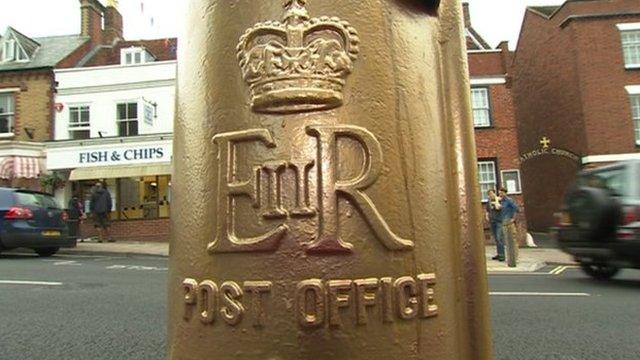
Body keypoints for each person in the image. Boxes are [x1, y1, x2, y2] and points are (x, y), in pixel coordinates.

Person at [499, 187, 519, 266]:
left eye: (501, 193)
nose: (500, 194)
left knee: (512, 241)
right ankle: (510, 257)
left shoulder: (509, 200)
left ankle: (515, 257)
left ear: (504, 193)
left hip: (509, 222)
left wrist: (513, 218)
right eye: (499, 193)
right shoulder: (502, 201)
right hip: (504, 222)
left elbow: (516, 209)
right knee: (507, 241)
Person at [485, 189, 504, 262]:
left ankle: (502, 255)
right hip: (492, 221)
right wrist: (487, 216)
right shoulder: (488, 201)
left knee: (499, 238)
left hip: (499, 221)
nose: (490, 195)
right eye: (489, 194)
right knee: (496, 238)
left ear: (494, 193)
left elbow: (499, 208)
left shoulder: (499, 200)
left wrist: (496, 201)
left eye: (492, 193)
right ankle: (499, 254)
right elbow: (487, 210)